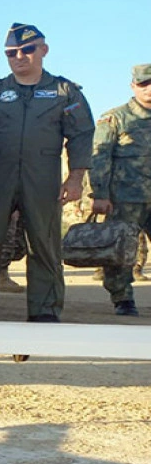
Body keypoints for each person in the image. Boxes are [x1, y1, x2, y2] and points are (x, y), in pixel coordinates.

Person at [0, 23, 94, 322]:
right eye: (11, 53)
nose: (19, 57)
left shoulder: (64, 92)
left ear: (43, 50)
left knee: (44, 244)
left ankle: (45, 311)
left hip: (42, 177)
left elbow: (81, 135)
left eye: (27, 50)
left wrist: (75, 178)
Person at [89, 63, 151, 316]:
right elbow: (99, 157)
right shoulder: (115, 118)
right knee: (121, 251)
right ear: (133, 86)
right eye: (143, 84)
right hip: (125, 198)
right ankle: (123, 298)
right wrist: (100, 194)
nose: (149, 89)